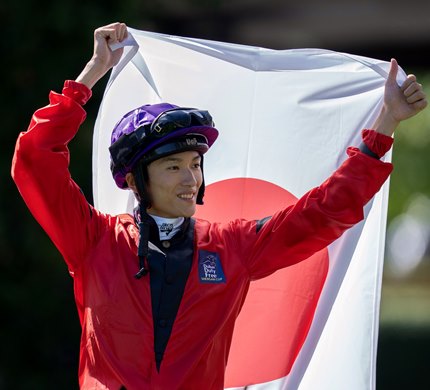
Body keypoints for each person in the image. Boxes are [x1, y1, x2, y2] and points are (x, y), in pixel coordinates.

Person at [11, 22, 427, 390]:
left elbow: (322, 213)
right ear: (136, 178)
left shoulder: (232, 247)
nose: (190, 179)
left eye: (195, 165)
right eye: (173, 166)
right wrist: (91, 74)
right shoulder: (94, 240)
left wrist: (385, 125)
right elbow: (34, 158)